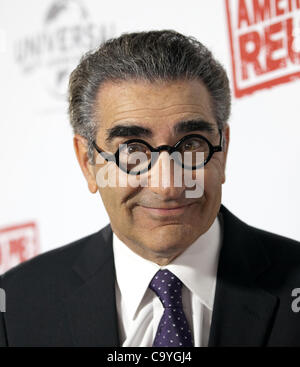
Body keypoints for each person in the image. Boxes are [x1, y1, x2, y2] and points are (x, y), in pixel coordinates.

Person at [1, 30, 300, 347]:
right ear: (88, 162)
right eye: (132, 150)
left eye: (192, 145)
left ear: (222, 151)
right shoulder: (16, 307)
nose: (168, 185)